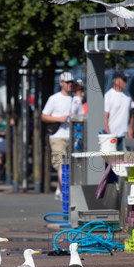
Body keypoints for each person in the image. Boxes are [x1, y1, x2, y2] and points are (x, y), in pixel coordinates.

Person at [41, 72, 81, 200]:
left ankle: (60, 189)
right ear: (61, 83)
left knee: (70, 165)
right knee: (60, 164)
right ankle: (65, 191)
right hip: (57, 136)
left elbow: (81, 117)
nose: (70, 84)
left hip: (73, 136)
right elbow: (44, 116)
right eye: (67, 82)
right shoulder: (54, 98)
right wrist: (59, 118)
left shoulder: (76, 99)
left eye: (71, 82)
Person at [104, 71, 134, 151]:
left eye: (127, 80)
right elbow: (105, 118)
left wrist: (130, 131)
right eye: (124, 80)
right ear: (116, 80)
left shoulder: (128, 95)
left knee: (126, 161)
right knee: (112, 161)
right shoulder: (108, 96)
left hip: (124, 135)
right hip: (112, 135)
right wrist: (109, 135)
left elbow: (131, 115)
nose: (126, 82)